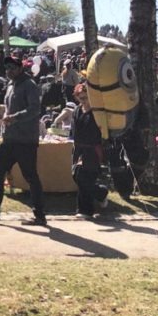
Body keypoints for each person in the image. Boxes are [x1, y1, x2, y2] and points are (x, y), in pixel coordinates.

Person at [0, 56, 47, 226]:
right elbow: (8, 109)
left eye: (12, 68)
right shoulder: (10, 86)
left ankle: (40, 215)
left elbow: (35, 109)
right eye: (7, 68)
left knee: (31, 177)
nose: (9, 71)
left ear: (20, 68)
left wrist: (14, 118)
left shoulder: (29, 85)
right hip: (9, 139)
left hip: (25, 140)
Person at [70, 83, 109, 219]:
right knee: (77, 176)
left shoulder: (98, 113)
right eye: (81, 98)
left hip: (93, 149)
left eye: (87, 98)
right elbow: (73, 130)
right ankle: (101, 193)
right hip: (79, 149)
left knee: (84, 177)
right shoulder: (76, 111)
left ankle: (85, 210)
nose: (85, 101)